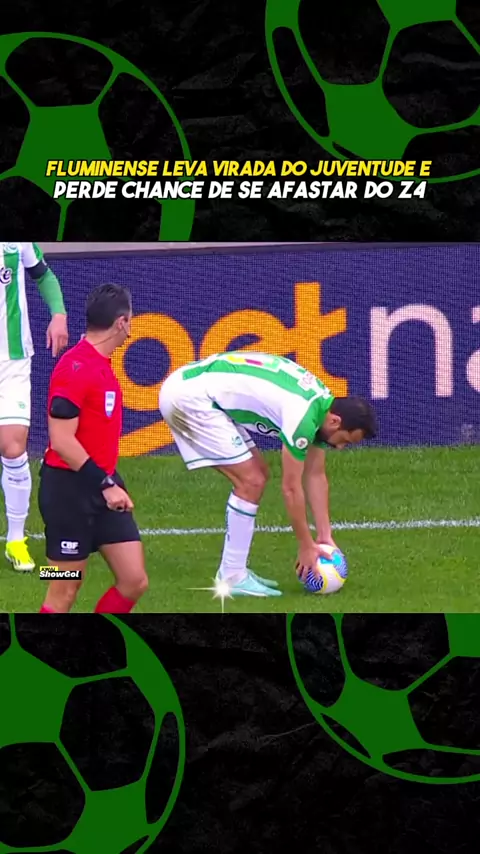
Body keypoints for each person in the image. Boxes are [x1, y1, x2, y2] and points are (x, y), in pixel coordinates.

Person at [159, 351, 377, 597]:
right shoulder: (303, 419)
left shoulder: (322, 407)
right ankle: (232, 576)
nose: (340, 447)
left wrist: (324, 535)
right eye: (345, 440)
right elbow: (291, 488)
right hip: (189, 398)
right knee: (251, 481)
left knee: (258, 475)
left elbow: (315, 475)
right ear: (335, 422)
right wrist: (306, 545)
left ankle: (234, 572)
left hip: (193, 387)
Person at [38, 283, 148, 614]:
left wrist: (108, 483)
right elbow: (61, 440)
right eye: (130, 319)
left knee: (134, 580)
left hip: (103, 484)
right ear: (121, 323)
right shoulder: (75, 368)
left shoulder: (101, 363)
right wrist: (105, 484)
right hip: (68, 492)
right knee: (64, 588)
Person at [0, 242, 68, 572]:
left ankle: (16, 540)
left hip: (11, 359)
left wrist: (59, 314)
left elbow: (43, 274)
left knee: (13, 447)